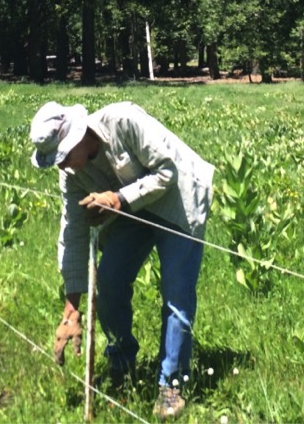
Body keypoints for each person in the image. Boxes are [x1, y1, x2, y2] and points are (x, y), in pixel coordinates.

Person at [30, 101, 214, 421]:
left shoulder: (123, 121)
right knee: (110, 281)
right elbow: (72, 233)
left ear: (75, 138)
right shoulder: (72, 174)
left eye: (61, 157)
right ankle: (121, 364)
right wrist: (71, 308)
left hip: (178, 201)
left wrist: (117, 198)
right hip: (131, 210)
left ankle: (172, 384)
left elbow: (167, 170)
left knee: (176, 294)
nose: (61, 167)